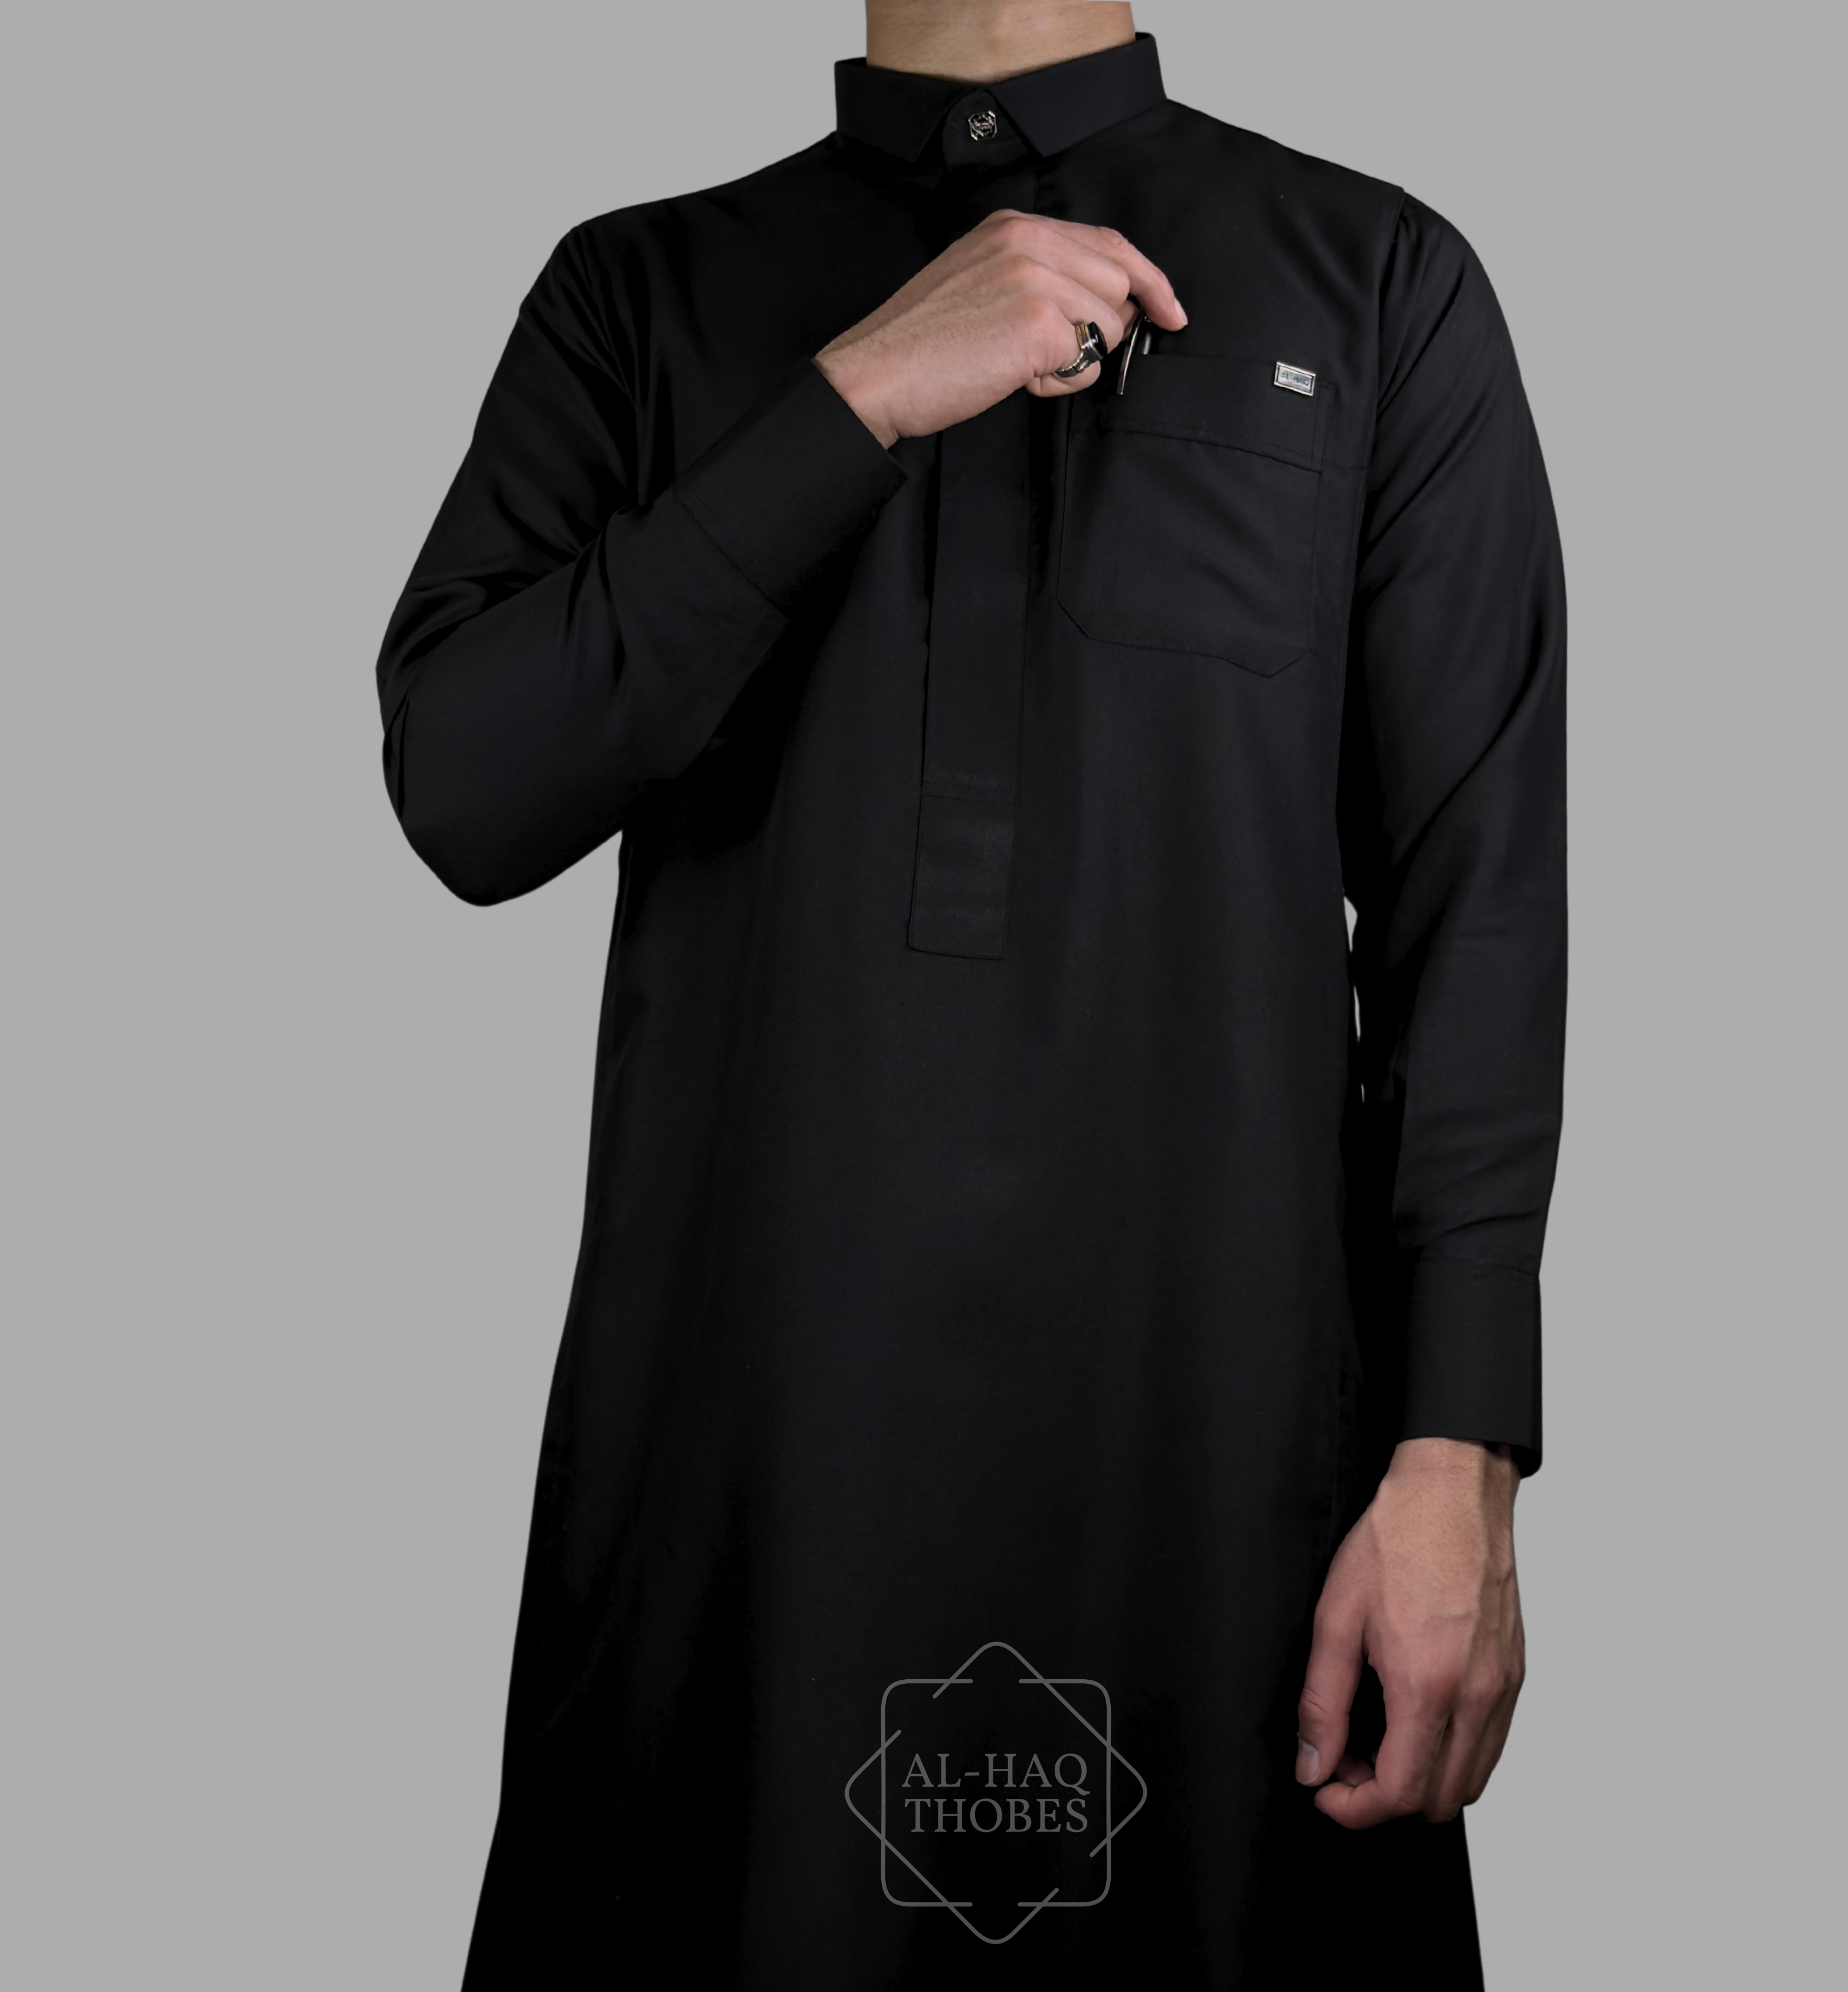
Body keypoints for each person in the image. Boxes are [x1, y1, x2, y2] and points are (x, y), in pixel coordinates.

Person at [375, 1, 1565, 1983]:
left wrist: (1461, 1448)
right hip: (742, 1467)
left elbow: (1477, 912)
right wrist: (850, 397)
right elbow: (466, 788)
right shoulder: (639, 293)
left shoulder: (1373, 281)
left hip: (1224, 1463)